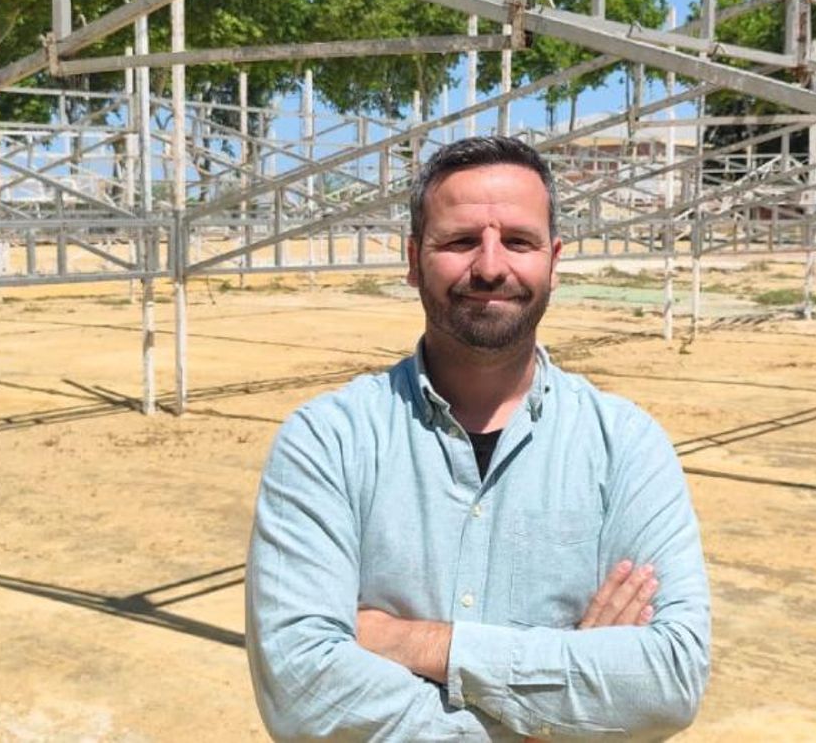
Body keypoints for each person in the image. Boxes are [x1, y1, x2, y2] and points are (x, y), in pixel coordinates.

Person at [245, 135, 710, 740]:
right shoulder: (328, 441)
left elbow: (668, 680)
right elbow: (303, 690)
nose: (491, 266)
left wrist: (419, 643)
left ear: (554, 261)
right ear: (413, 260)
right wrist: (561, 704)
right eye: (460, 241)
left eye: (518, 241)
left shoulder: (625, 444)